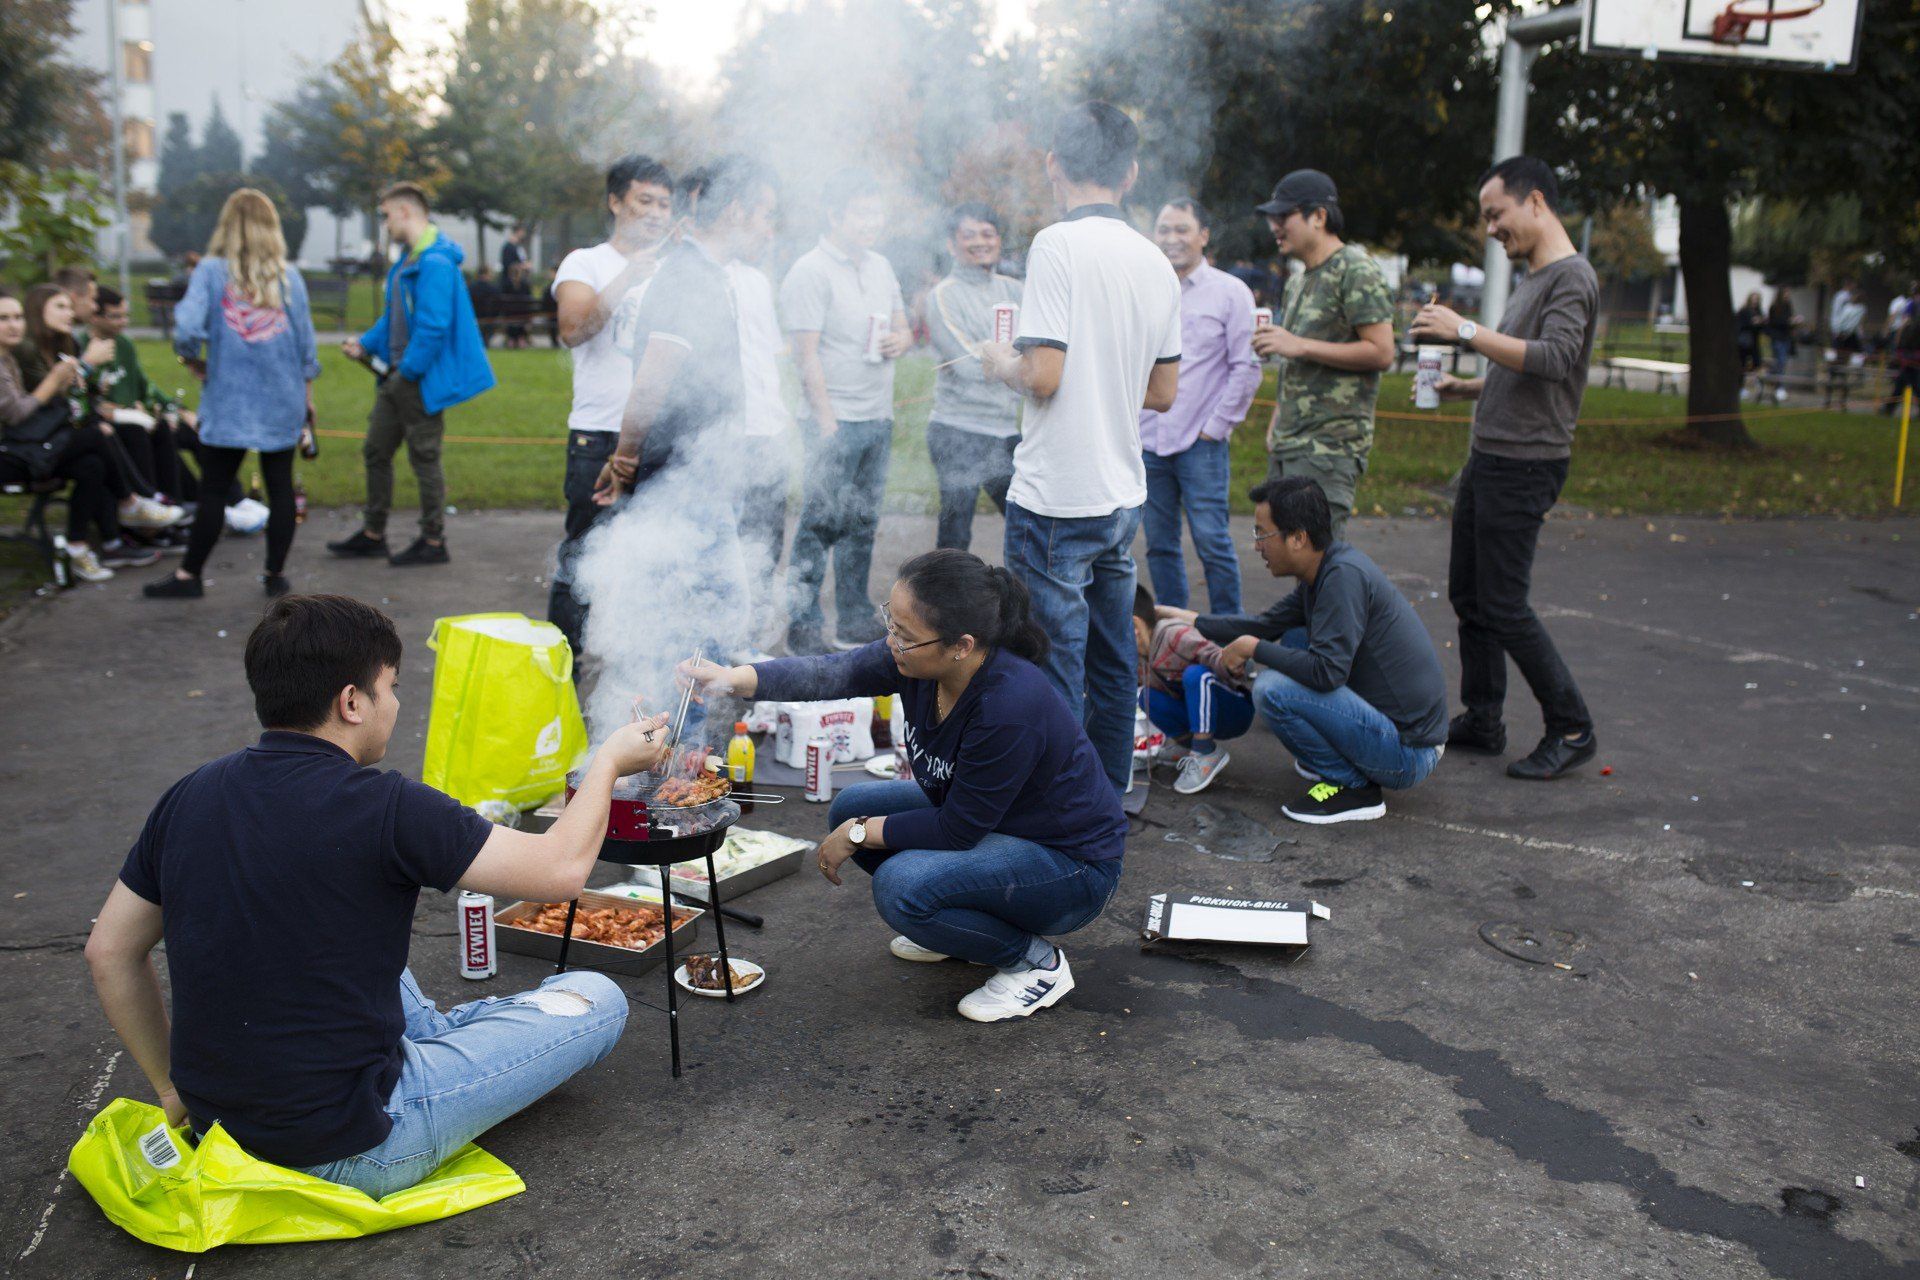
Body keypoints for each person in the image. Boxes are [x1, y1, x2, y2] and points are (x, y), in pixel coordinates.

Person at [85, 594, 666, 1197]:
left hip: (221, 1127)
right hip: (353, 1144)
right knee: (598, 998)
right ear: (352, 701)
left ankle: (447, 1046)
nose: (396, 703)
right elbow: (562, 869)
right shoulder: (388, 806)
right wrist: (608, 765)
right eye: (390, 687)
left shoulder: (188, 795)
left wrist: (171, 1090)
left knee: (323, 929)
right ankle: (454, 1053)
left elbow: (109, 952)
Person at [678, 550, 1126, 1022]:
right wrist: (731, 679)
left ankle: (1037, 965)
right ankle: (964, 932)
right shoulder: (916, 660)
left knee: (901, 886)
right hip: (999, 826)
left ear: (961, 645)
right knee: (852, 804)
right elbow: (834, 672)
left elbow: (957, 831)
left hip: (1071, 868)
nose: (891, 642)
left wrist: (859, 833)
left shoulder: (1008, 704)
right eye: (891, 622)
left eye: (904, 635)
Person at [978, 101, 1182, 794]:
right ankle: (1105, 793)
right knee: (1111, 655)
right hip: (1121, 491)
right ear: (1129, 174)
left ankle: (1056, 805)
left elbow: (1042, 374)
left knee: (1050, 658)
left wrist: (998, 361)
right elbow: (1163, 393)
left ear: (1053, 164)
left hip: (1056, 495)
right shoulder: (1156, 260)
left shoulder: (1056, 245)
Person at [1410, 155, 1599, 782]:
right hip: (1490, 457)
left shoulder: (1571, 277)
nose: (1490, 228)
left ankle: (1571, 726)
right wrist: (1473, 387)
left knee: (1504, 603)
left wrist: (1463, 329)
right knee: (1470, 594)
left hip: (1526, 464)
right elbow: (1522, 365)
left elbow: (1553, 359)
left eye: (1497, 213)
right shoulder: (1534, 276)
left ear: (1536, 202)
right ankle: (1484, 719)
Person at [1167, 477, 1446, 823]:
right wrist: (1185, 619)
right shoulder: (1326, 569)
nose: (1256, 546)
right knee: (1283, 666)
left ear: (1298, 537)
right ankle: (1345, 766)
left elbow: (1328, 672)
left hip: (1409, 754)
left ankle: (1354, 787)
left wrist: (1254, 649)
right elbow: (1263, 624)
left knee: (1272, 690)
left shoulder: (1342, 578)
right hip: (1400, 735)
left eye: (1261, 534)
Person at [146, 189, 322, 600]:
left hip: (229, 399)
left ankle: (190, 576)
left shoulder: (210, 272)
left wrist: (193, 362)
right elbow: (306, 347)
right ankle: (274, 575)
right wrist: (306, 397)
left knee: (214, 489)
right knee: (280, 488)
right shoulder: (288, 276)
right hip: (283, 397)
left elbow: (187, 330)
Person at [547, 154, 676, 658]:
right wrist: (629, 276)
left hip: (661, 436)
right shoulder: (586, 262)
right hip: (598, 435)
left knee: (655, 562)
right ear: (616, 202)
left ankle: (634, 671)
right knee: (582, 560)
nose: (656, 213)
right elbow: (572, 330)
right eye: (644, 200)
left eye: (664, 204)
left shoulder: (678, 270)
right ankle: (563, 673)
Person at [778, 168, 911, 654]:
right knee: (818, 525)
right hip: (831, 420)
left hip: (877, 417)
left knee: (860, 522)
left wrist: (903, 337)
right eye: (862, 211)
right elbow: (804, 354)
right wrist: (826, 422)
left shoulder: (880, 266)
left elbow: (902, 326)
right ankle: (803, 626)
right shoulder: (810, 270)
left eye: (877, 211)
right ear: (835, 215)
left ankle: (853, 618)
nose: (872, 220)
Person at [330, 181, 496, 568]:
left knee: (424, 458)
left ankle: (433, 541)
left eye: (386, 215)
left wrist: (407, 374)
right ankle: (373, 534)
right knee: (376, 450)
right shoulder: (408, 260)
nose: (384, 223)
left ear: (405, 211)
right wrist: (367, 345)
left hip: (415, 380)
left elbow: (433, 328)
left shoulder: (434, 262)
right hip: (398, 377)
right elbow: (394, 317)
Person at [1253, 169, 1396, 543]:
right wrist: (1277, 422)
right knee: (1290, 559)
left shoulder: (1356, 268)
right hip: (1290, 443)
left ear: (1318, 216)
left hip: (1329, 449)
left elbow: (1382, 352)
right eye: (1272, 218)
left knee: (1322, 564)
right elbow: (1295, 361)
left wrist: (1299, 345)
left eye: (1283, 216)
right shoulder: (1299, 279)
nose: (1274, 227)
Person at [1140, 197, 1261, 613]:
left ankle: (1231, 638)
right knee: (1159, 545)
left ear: (1203, 236)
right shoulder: (1143, 289)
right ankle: (1175, 634)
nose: (1171, 239)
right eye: (1163, 230)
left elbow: (1246, 367)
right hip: (1147, 440)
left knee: (1213, 542)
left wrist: (1216, 427)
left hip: (1201, 441)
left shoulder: (1231, 292)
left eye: (1181, 230)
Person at [17, 283, 178, 565]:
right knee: (101, 436)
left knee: (93, 464)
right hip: (29, 446)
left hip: (52, 437)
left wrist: (92, 387)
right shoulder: (27, 350)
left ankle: (101, 543)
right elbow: (42, 402)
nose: (72, 312)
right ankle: (136, 503)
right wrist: (87, 366)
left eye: (69, 306)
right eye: (61, 307)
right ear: (37, 310)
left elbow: (78, 395)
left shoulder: (62, 344)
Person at [0, 286, 145, 582]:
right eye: (3, 318)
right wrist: (56, 380)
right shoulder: (15, 357)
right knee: (95, 436)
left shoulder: (9, 357)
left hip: (23, 448)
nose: (14, 324)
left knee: (90, 465)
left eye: (16, 317)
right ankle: (130, 503)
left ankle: (78, 547)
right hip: (9, 456)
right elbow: (15, 414)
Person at [922, 202, 1024, 553]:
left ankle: (1023, 605)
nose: (980, 242)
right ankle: (945, 606)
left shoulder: (1014, 290)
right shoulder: (942, 296)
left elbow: (1043, 351)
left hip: (1006, 430)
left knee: (1028, 523)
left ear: (998, 240)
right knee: (955, 536)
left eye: (988, 233)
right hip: (957, 430)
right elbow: (966, 366)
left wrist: (994, 355)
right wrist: (1017, 359)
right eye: (969, 235)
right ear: (952, 244)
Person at [1133, 584, 1255, 795]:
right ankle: (1189, 747)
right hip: (1200, 714)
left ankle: (1205, 752)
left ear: (1134, 627)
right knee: (1147, 697)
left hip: (1233, 709)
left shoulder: (1174, 634)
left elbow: (1215, 656)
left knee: (1195, 675)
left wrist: (1231, 665)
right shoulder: (1138, 659)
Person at [90, 286, 198, 519]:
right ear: (95, 316)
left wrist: (177, 409)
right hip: (118, 426)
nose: (123, 322)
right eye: (115, 316)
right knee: (145, 432)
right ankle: (159, 509)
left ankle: (226, 502)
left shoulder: (125, 345)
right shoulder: (87, 349)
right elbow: (91, 400)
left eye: (125, 315)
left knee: (195, 430)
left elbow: (146, 387)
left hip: (141, 419)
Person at [1766, 289, 1798, 386]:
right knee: (1780, 360)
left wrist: (1794, 322)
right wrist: (1788, 321)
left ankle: (1772, 378)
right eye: (1785, 293)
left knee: (1782, 362)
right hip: (1777, 337)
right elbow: (1774, 322)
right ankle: (1779, 385)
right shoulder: (1774, 307)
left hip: (1786, 337)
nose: (1787, 295)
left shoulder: (1788, 306)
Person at [1829, 278, 1866, 356]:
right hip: (1842, 328)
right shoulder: (1845, 297)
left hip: (1843, 328)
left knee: (1842, 349)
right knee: (1841, 349)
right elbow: (1842, 315)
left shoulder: (1839, 295)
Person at [1736, 291, 1765, 375]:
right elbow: (1740, 325)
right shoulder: (1744, 311)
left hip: (1755, 341)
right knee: (1743, 363)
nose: (1755, 301)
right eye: (1754, 299)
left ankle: (1754, 382)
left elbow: (1762, 327)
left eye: (1757, 299)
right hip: (1745, 341)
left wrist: (1761, 322)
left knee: (1757, 363)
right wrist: (1752, 322)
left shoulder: (1759, 311)